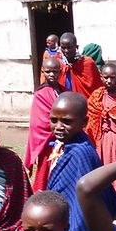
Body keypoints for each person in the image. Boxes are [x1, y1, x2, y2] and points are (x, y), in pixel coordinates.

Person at [46, 92, 116, 231]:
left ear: (84, 122)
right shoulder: (69, 145)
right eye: (53, 120)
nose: (58, 126)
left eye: (66, 121)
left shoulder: (81, 153)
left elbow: (80, 203)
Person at [86, 63, 116, 205]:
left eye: (112, 77)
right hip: (104, 141)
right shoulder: (96, 97)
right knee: (107, 172)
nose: (109, 81)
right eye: (105, 77)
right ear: (101, 77)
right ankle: (109, 202)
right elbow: (91, 122)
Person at [25, 58, 68, 191]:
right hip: (50, 144)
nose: (51, 75)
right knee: (48, 175)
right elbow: (38, 123)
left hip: (66, 141)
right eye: (48, 71)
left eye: (55, 71)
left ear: (60, 73)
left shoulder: (65, 91)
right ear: (42, 72)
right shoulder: (40, 94)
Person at [57, 32, 102, 99]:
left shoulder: (87, 63)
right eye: (63, 48)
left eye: (69, 48)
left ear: (76, 47)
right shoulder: (57, 65)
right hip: (64, 103)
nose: (66, 51)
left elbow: (96, 88)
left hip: (85, 105)